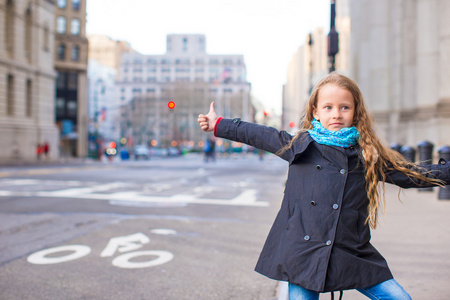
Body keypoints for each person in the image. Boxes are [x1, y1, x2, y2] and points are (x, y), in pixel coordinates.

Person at [197, 72, 450, 300]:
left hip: (351, 248)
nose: (336, 114)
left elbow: (411, 174)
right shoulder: (299, 146)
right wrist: (219, 124)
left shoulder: (365, 154)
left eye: (344, 107)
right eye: (328, 107)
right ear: (315, 112)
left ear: (355, 111)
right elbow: (259, 134)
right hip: (303, 249)